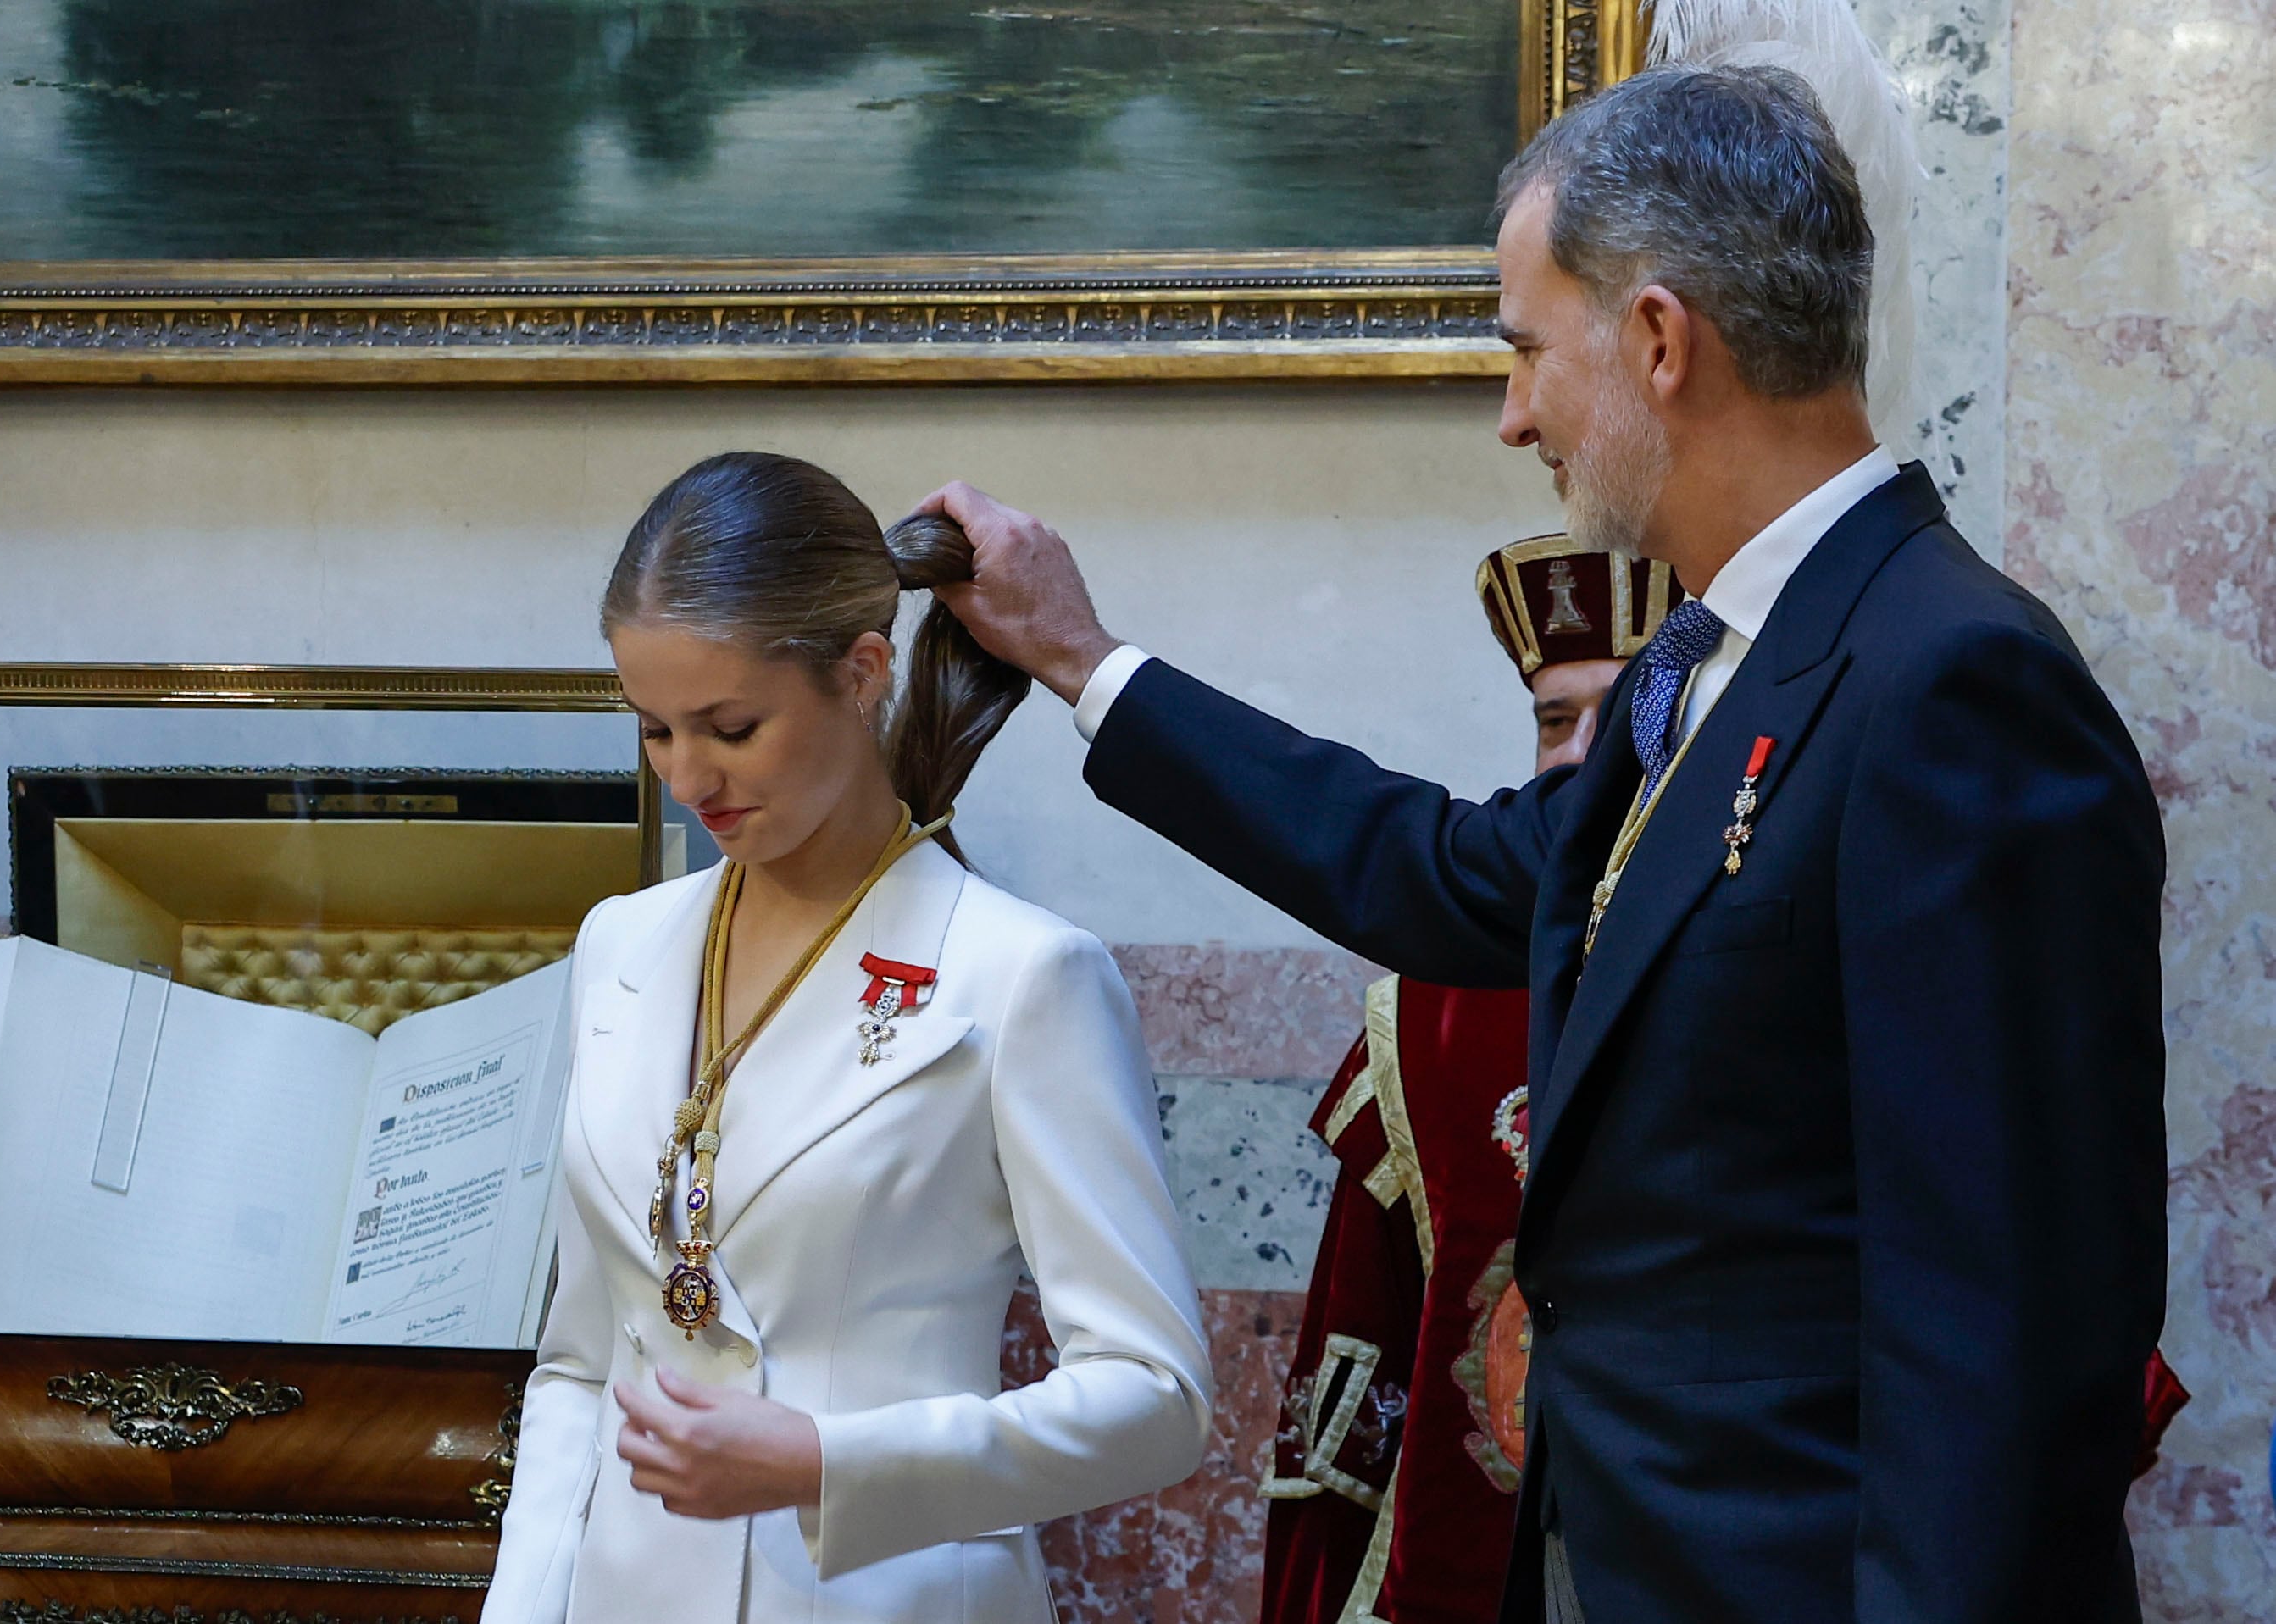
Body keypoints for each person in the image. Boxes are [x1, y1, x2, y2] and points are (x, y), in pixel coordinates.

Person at [918, 65, 2167, 1624]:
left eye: (1524, 351)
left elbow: (2016, 1326)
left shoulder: (1953, 680)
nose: (1513, 416)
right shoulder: (1697, 664)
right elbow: (1459, 876)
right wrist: (1084, 659)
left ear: (1657, 341)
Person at [480, 452, 1213, 1624]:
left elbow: (1154, 1397)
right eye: (655, 730)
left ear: (861, 672)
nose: (687, 778)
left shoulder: (1020, 974)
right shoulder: (620, 943)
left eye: (730, 726)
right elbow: (582, 1362)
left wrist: (829, 1462)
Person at [1261, 540, 1679, 1624]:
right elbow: (1355, 1367)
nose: (1577, 757)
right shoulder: (1430, 1013)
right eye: (1552, 720)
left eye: (1618, 715)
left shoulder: (1799, 972)